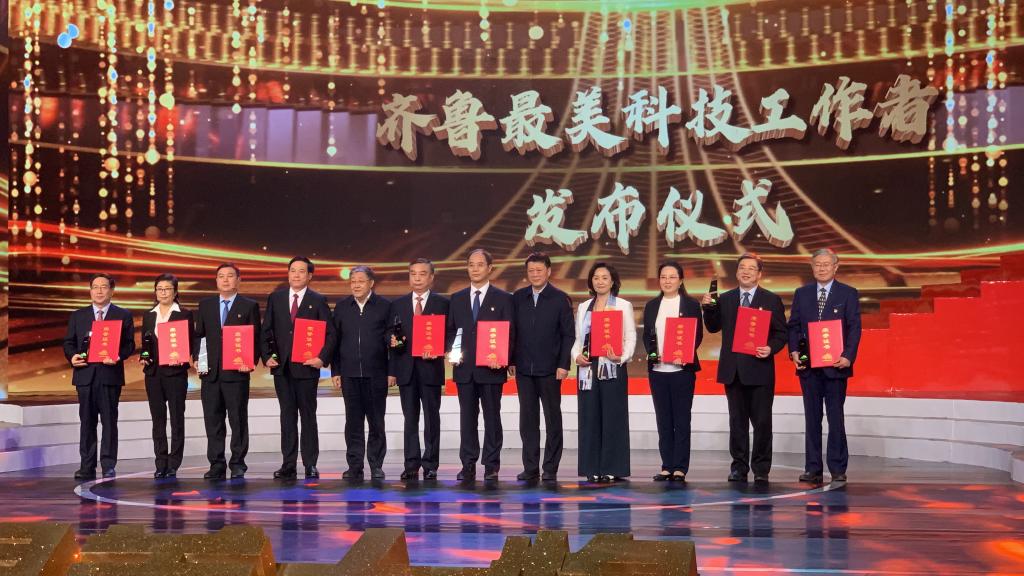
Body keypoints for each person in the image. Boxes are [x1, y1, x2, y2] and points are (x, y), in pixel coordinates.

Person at [702, 253, 787, 484]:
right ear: (737, 272)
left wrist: (770, 348)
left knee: (762, 423)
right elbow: (713, 327)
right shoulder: (726, 298)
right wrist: (708, 308)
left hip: (760, 371)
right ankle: (739, 468)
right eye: (742, 268)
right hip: (733, 371)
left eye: (751, 268)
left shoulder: (771, 300)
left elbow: (781, 333)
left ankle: (761, 469)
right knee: (737, 423)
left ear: (759, 274)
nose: (746, 272)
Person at [787, 248, 862, 484]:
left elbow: (854, 328)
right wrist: (794, 351)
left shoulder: (848, 293)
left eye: (826, 264)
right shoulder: (802, 293)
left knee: (835, 418)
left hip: (836, 366)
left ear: (835, 267)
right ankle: (813, 468)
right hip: (808, 367)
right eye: (817, 264)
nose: (821, 268)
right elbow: (794, 326)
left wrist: (848, 356)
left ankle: (838, 467)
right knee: (812, 418)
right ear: (812, 267)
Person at [261, 256, 335, 480]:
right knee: (287, 416)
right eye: (292, 270)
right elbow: (266, 331)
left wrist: (321, 358)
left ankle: (310, 464)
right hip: (282, 368)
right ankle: (288, 464)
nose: (296, 275)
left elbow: (331, 333)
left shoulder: (318, 300)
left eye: (301, 271)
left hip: (306, 368)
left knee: (308, 416)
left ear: (309, 276)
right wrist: (267, 356)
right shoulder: (276, 298)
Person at [446, 249, 514, 481]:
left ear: (490, 268)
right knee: (467, 419)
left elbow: (510, 333)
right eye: (471, 265)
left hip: (492, 370)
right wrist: (453, 352)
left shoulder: (503, 298)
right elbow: (451, 332)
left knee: (492, 418)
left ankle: (491, 465)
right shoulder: (456, 298)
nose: (475, 269)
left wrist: (504, 358)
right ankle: (468, 464)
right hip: (464, 370)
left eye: (480, 265)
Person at [62, 273, 136, 480]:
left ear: (112, 291)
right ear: (90, 291)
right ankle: (86, 466)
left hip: (109, 375)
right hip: (85, 375)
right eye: (95, 287)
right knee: (87, 422)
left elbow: (129, 344)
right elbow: (68, 342)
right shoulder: (78, 315)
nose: (99, 291)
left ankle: (108, 464)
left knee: (109, 422)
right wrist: (72, 356)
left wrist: (118, 356)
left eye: (104, 287)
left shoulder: (123, 315)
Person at [510, 251, 574, 482]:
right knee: (528, 420)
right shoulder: (518, 297)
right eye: (531, 271)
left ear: (548, 271)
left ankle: (550, 467)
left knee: (552, 419)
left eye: (539, 270)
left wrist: (563, 364)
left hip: (550, 370)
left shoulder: (560, 299)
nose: (535, 274)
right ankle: (530, 467)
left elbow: (568, 335)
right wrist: (511, 360)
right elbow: (512, 332)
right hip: (524, 370)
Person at [194, 263, 261, 480]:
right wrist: (198, 360)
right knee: (213, 420)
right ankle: (216, 464)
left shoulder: (249, 305)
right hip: (210, 373)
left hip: (237, 373)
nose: (225, 280)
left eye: (230, 276)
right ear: (216, 281)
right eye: (221, 276)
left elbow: (256, 337)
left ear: (238, 280)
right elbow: (199, 336)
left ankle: (238, 463)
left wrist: (250, 361)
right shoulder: (205, 305)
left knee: (237, 420)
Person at [571, 262, 636, 483]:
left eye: (604, 277)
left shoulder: (623, 305)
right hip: (588, 368)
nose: (600, 281)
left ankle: (612, 467)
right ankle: (591, 467)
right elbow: (577, 339)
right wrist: (576, 356)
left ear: (613, 281)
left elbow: (630, 337)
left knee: (613, 417)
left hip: (612, 366)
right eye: (596, 277)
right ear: (591, 281)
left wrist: (622, 356)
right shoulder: (584, 307)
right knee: (589, 417)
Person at [387, 258, 449, 481]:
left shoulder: (443, 304)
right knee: (410, 419)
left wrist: (440, 349)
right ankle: (411, 464)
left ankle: (431, 464)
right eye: (413, 273)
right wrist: (392, 342)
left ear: (431, 277)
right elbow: (390, 334)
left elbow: (451, 333)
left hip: (431, 369)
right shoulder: (398, 304)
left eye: (422, 274)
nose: (417, 278)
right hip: (406, 370)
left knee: (432, 418)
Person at [642, 262, 703, 482]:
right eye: (663, 277)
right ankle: (667, 465)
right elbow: (647, 336)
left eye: (672, 277)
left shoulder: (691, 305)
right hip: (658, 371)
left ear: (681, 280)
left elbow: (697, 335)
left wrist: (685, 353)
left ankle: (680, 467)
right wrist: (652, 353)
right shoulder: (652, 305)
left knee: (681, 419)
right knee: (663, 420)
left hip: (682, 371)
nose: (667, 281)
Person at [331, 265, 392, 480]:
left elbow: (393, 341)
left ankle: (376, 465)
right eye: (353, 281)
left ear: (371, 283)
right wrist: (336, 371)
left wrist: (392, 371)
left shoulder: (385, 306)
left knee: (376, 422)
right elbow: (335, 341)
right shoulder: (342, 307)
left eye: (361, 281)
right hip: (349, 374)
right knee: (353, 422)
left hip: (377, 374)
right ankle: (354, 465)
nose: (356, 285)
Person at [140, 273, 196, 479]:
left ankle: (174, 462)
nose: (163, 293)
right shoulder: (149, 315)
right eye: (159, 289)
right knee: (158, 420)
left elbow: (191, 342)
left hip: (175, 374)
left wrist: (184, 358)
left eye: (167, 289)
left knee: (176, 419)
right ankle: (160, 461)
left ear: (175, 292)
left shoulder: (184, 314)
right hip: (153, 374)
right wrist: (144, 356)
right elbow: (145, 344)